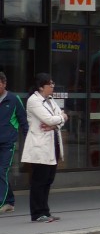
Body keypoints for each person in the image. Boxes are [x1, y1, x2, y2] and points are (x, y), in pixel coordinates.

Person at [22, 73, 66, 222]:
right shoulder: (34, 101)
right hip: (39, 146)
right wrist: (60, 119)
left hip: (53, 144)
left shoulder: (51, 100)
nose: (52, 86)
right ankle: (37, 213)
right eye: (50, 84)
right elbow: (48, 119)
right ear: (41, 87)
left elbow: (59, 117)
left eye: (53, 83)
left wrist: (57, 122)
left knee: (48, 179)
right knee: (39, 180)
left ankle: (45, 211)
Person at [0, 71, 28, 214]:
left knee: (2, 171)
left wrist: (29, 143)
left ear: (4, 84)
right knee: (1, 174)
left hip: (7, 144)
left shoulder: (13, 99)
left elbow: (24, 122)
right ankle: (10, 201)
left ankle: (1, 203)